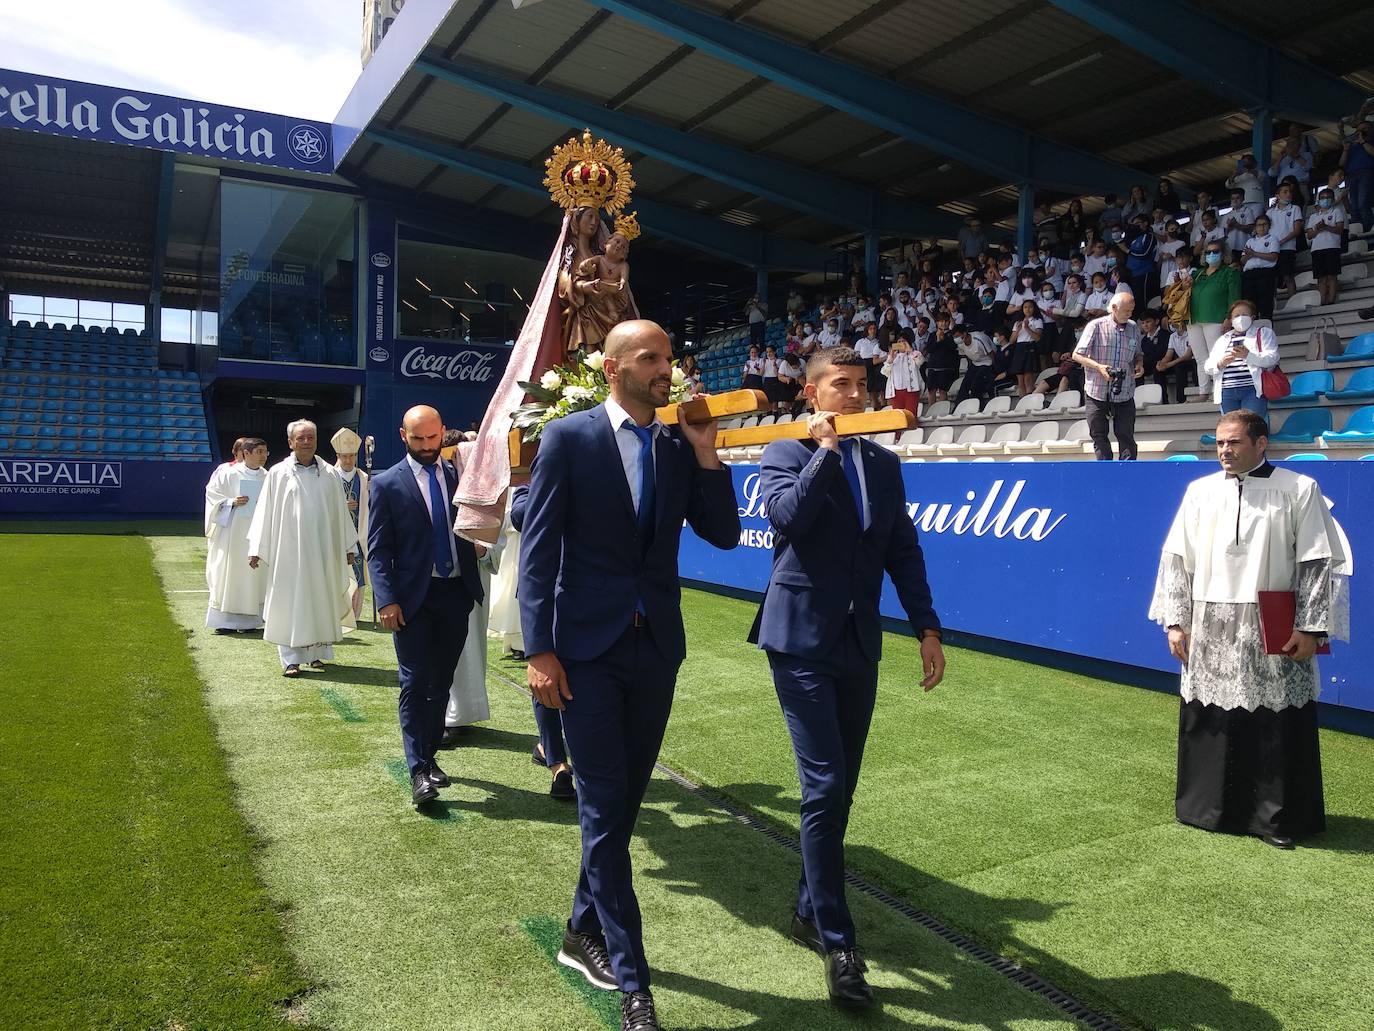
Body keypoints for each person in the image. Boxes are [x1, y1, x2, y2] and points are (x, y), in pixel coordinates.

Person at [519, 319, 740, 1031]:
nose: (664, 369)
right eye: (650, 358)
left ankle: (580, 929)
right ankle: (634, 982)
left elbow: (725, 532)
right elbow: (539, 552)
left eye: (669, 357)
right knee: (604, 803)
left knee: (618, 810)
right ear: (613, 369)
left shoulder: (678, 443)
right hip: (584, 651)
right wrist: (539, 650)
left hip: (655, 650)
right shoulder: (569, 438)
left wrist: (707, 454)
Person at [748, 346, 943, 1009]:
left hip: (860, 641)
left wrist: (927, 626)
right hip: (798, 639)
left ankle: (808, 906)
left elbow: (901, 548)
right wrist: (825, 454)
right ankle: (838, 939)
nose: (855, 394)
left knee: (840, 788)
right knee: (825, 783)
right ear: (811, 392)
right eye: (841, 384)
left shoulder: (886, 466)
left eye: (862, 385)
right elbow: (785, 521)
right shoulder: (786, 452)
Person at [1149, 409, 1350, 849]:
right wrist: (1176, 622)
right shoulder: (1198, 491)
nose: (1224, 450)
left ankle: (1272, 819)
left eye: (1234, 442)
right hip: (1210, 623)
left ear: (1261, 443)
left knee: (1274, 720)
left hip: (1272, 622)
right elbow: (1176, 560)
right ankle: (1208, 808)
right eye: (1220, 442)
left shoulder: (1299, 489)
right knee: (1212, 714)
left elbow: (1318, 563)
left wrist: (1313, 628)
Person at [367, 405, 484, 807]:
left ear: (442, 433)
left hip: (456, 593)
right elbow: (378, 551)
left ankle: (429, 756)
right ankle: (418, 770)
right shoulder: (385, 484)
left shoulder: (459, 476)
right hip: (412, 599)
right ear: (403, 435)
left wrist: (478, 543)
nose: (426, 446)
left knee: (440, 684)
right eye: (418, 439)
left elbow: (472, 524)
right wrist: (386, 599)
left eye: (433, 438)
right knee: (415, 682)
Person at [246, 420, 356, 677]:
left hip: (323, 551)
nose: (306, 442)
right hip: (289, 552)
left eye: (310, 437)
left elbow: (340, 513)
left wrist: (348, 545)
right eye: (301, 438)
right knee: (291, 601)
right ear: (290, 442)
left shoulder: (329, 473)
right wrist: (256, 548)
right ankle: (290, 659)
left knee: (321, 596)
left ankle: (316, 654)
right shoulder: (278, 473)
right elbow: (264, 512)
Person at [442, 438, 493, 749]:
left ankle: (466, 711)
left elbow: (495, 533)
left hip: (475, 578)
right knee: (447, 648)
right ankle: (448, 714)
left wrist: (484, 548)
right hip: (443, 579)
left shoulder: (484, 491)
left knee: (472, 645)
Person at [203, 437, 268, 633]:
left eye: (265, 452)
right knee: (229, 574)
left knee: (254, 576)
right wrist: (231, 502)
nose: (263, 456)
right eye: (259, 452)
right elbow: (212, 495)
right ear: (246, 453)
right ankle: (225, 622)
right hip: (232, 534)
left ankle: (251, 622)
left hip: (257, 534)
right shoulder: (228, 474)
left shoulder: (269, 476)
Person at [1072, 292, 1144, 461]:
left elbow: (1138, 353)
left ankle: (1127, 474)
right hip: (1097, 389)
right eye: (1126, 310)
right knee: (1099, 436)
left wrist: (1139, 364)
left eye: (1131, 311)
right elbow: (1077, 355)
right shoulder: (1095, 326)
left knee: (1126, 436)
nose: (1129, 314)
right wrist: (1099, 367)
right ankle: (1105, 471)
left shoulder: (1134, 327)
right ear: (1113, 308)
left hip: (1125, 390)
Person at [1203, 299, 1280, 420]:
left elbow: (1272, 358)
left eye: (1244, 315)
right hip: (1227, 391)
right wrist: (1220, 363)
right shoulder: (1223, 339)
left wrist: (1248, 355)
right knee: (1232, 428)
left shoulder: (1263, 333)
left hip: (1252, 389)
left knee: (1251, 426)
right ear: (1231, 320)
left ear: (1252, 317)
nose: (1240, 318)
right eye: (1237, 316)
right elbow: (1208, 366)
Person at [329, 427, 370, 628]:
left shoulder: (363, 477)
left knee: (359, 573)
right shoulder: (329, 477)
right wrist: (340, 507)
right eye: (344, 456)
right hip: (336, 535)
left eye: (352, 456)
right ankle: (339, 612)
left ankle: (355, 613)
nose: (348, 461)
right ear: (338, 456)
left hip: (358, 533)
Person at [1306, 186, 1347, 307]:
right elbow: (1309, 235)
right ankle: (1322, 301)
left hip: (1332, 247)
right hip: (1317, 249)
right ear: (1318, 200)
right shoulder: (1313, 217)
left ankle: (1331, 300)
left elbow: (1340, 230)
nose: (1325, 200)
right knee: (1321, 277)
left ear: (1333, 199)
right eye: (1322, 198)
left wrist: (1326, 227)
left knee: (1332, 275)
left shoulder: (1337, 212)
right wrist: (1318, 229)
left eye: (1328, 198)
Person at [1240, 214, 1280, 322]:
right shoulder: (1250, 241)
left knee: (1265, 303)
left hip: (1265, 273)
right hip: (1249, 274)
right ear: (1255, 227)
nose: (1261, 227)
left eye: (1264, 224)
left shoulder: (1273, 239)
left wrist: (1254, 253)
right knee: (1249, 304)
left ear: (1269, 226)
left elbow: (1273, 257)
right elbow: (1242, 260)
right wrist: (1249, 255)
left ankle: (1266, 329)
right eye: (1259, 225)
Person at [1266, 183, 1304, 296]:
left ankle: (1293, 301)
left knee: (1288, 276)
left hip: (1287, 249)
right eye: (1285, 192)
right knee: (1273, 279)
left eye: (1290, 192)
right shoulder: (1269, 212)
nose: (1289, 194)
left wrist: (1281, 242)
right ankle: (1273, 306)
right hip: (1271, 250)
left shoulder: (1295, 208)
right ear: (1277, 195)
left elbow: (1297, 230)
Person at [1338, 118, 1374, 233]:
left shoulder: (1371, 141)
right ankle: (1357, 232)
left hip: (1366, 172)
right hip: (1351, 175)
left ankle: (1369, 231)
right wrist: (1345, 150)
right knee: (1354, 206)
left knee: (1363, 203)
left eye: (1364, 129)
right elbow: (1341, 164)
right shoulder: (1353, 145)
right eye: (1359, 130)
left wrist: (1363, 142)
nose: (1361, 131)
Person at [882, 333, 923, 414]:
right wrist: (891, 358)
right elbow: (885, 372)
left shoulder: (915, 353)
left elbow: (920, 361)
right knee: (899, 417)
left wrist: (910, 350)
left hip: (911, 390)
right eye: (899, 341)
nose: (901, 343)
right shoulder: (893, 357)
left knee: (911, 415)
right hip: (896, 392)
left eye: (903, 341)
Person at [1009, 299, 1042, 397]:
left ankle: (1029, 398)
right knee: (1020, 379)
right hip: (1019, 348)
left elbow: (1038, 338)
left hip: (1030, 346)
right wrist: (1018, 330)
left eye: (1030, 307)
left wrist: (1027, 328)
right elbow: (1011, 341)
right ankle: (1022, 400)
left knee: (1028, 377)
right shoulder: (1018, 322)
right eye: (1025, 307)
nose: (1028, 309)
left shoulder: (1037, 320)